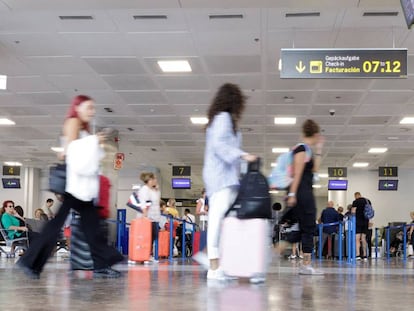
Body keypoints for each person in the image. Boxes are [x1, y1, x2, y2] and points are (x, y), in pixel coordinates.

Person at [17, 94, 123, 279]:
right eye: (88, 107)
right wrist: (93, 141)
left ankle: (100, 264)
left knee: (92, 228)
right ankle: (29, 261)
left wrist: (95, 142)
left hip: (84, 188)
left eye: (93, 108)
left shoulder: (83, 127)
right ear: (78, 107)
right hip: (76, 187)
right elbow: (71, 151)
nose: (92, 111)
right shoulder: (73, 122)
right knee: (57, 226)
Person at [201, 83, 257, 280]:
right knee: (217, 219)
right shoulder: (222, 118)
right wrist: (243, 156)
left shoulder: (227, 120)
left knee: (226, 221)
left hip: (228, 178)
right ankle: (213, 267)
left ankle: (217, 264)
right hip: (220, 178)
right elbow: (220, 146)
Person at [286, 119, 324, 275]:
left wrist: (320, 149)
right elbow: (298, 173)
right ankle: (306, 265)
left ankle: (304, 263)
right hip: (303, 193)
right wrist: (292, 194)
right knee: (308, 227)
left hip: (305, 192)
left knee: (305, 228)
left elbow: (314, 169)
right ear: (315, 134)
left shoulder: (307, 150)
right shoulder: (301, 149)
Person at [138, 172, 161, 263]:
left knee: (154, 236)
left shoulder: (154, 190)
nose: (156, 180)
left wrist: (157, 190)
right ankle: (143, 255)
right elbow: (143, 202)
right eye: (154, 179)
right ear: (150, 180)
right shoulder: (144, 189)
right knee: (147, 237)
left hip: (154, 217)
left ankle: (148, 254)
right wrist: (144, 215)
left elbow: (158, 201)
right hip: (147, 217)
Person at [352, 191, 371, 261]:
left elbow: (353, 211)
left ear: (356, 196)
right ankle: (365, 255)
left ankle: (358, 255)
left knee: (357, 239)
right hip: (365, 222)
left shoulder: (355, 202)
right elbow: (369, 211)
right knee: (363, 238)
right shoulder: (367, 201)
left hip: (358, 222)